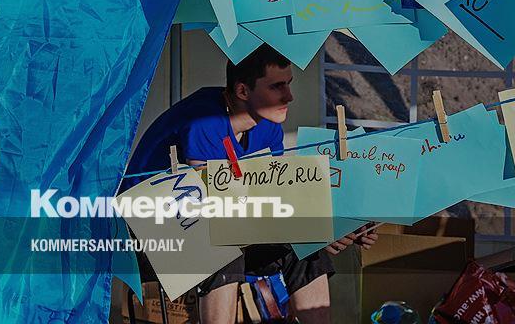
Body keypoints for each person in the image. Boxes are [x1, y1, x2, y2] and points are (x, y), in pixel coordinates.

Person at [122, 44, 377, 324]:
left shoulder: (268, 124)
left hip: (215, 224)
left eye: (289, 84)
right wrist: (313, 227)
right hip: (150, 233)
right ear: (243, 91)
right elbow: (220, 212)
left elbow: (274, 197)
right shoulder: (205, 120)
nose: (289, 96)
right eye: (277, 86)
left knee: (306, 249)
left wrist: (331, 227)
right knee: (221, 249)